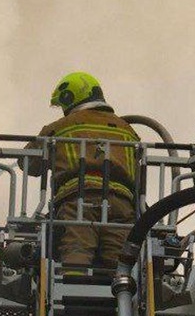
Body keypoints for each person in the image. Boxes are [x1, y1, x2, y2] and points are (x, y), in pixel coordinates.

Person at [26, 72, 140, 275]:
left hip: (79, 200)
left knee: (77, 249)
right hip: (121, 204)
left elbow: (29, 163)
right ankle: (120, 297)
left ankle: (73, 297)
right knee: (119, 259)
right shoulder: (127, 129)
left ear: (71, 97)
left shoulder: (60, 127)